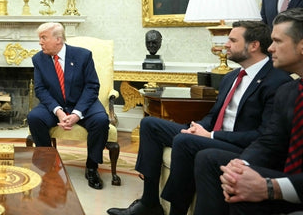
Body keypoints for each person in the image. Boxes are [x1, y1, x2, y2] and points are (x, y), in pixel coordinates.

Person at [107, 20, 292, 215]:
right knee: (150, 124)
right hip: (212, 134)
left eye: (232, 40)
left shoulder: (277, 81)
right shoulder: (231, 77)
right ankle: (149, 203)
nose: (226, 45)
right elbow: (214, 115)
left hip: (237, 145)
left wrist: (210, 136)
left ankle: (177, 211)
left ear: (253, 45)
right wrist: (198, 128)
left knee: (184, 141)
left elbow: (263, 135)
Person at [193, 8, 303, 215]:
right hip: (286, 175)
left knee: (243, 189)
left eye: (278, 41)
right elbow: (270, 141)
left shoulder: (277, 83)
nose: (270, 48)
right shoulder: (288, 92)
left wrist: (271, 187)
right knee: (221, 168)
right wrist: (240, 164)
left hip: (294, 183)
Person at [27, 22, 109, 190]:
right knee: (34, 118)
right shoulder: (39, 59)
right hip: (56, 103)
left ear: (58, 39)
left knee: (101, 120)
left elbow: (92, 86)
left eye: (43, 38)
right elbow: (40, 89)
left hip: (83, 103)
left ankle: (92, 167)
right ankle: (48, 164)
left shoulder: (83, 55)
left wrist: (77, 113)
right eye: (40, 38)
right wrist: (58, 111)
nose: (40, 42)